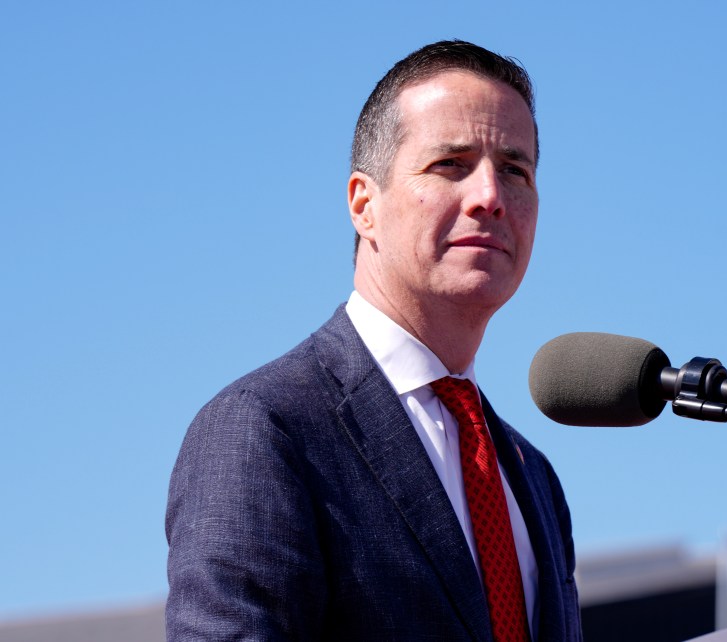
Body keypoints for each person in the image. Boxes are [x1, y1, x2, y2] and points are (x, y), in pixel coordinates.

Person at [166, 40, 582, 641]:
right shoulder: (264, 429)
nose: (490, 196)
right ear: (364, 203)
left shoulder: (534, 478)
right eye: (451, 164)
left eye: (515, 170)